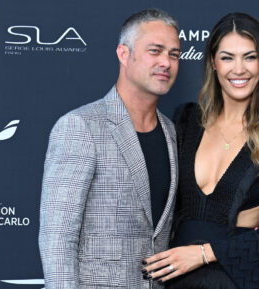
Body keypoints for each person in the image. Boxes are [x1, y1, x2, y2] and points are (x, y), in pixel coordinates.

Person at [142, 12, 259, 289]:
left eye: (250, 57)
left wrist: (204, 253)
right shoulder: (186, 120)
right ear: (213, 63)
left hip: (232, 280)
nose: (238, 69)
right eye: (227, 57)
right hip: (171, 279)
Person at [39, 9, 180, 289]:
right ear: (124, 54)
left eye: (174, 54)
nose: (166, 62)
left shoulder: (170, 131)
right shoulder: (81, 126)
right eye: (155, 51)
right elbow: (57, 237)